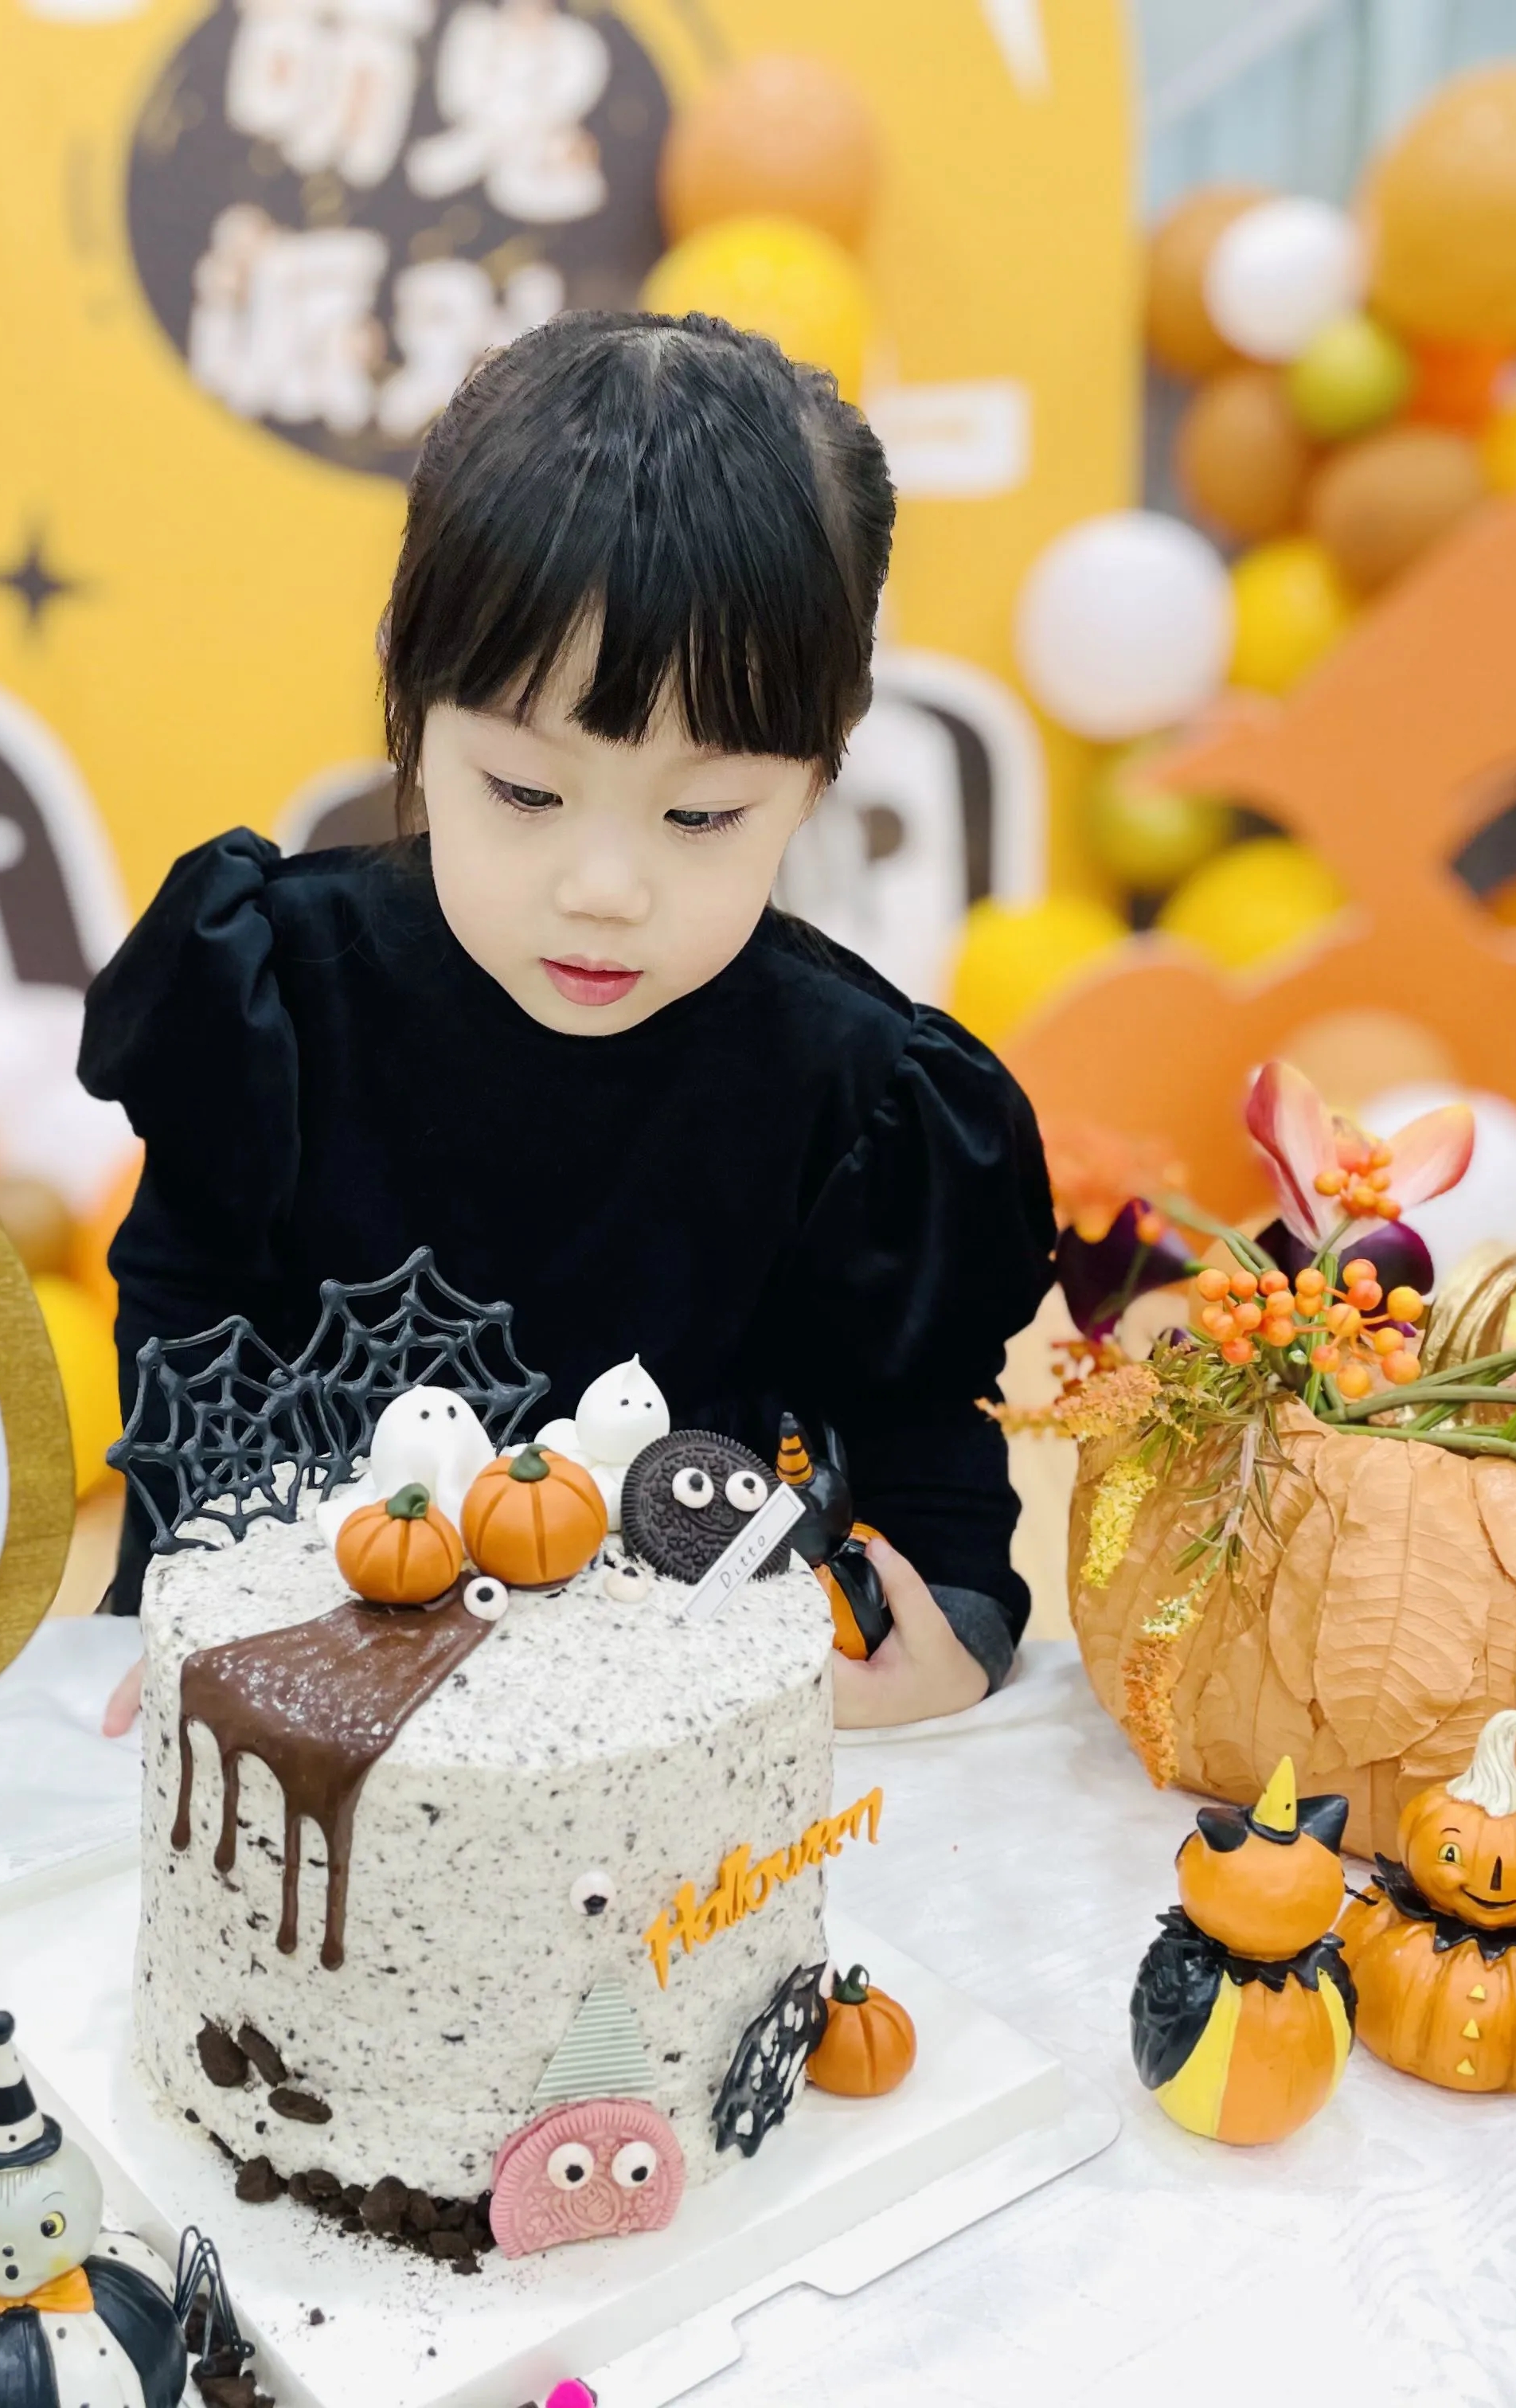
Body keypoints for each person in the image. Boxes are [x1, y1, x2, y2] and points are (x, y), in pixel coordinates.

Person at [80, 310, 1057, 1729]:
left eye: (704, 815)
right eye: (525, 795)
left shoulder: (863, 1098)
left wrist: (952, 1621)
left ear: (819, 777)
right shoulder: (278, 997)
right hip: (332, 1664)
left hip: (689, 1710)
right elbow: (193, 1310)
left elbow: (918, 1423)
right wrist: (204, 1588)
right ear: (412, 717)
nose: (605, 890)